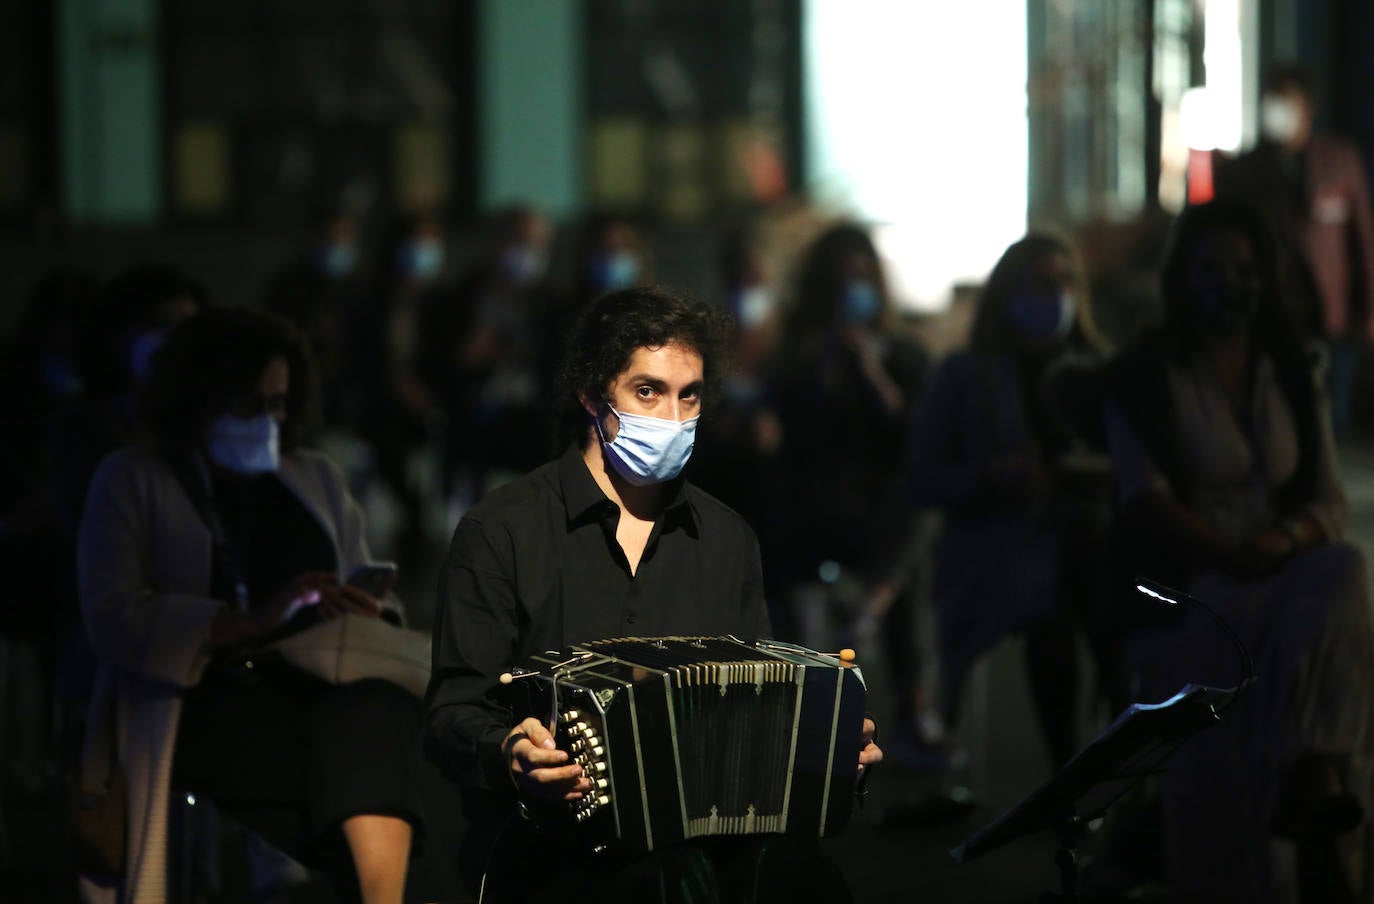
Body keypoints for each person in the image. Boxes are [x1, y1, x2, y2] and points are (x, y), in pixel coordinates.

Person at [424, 287, 880, 903]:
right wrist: (510, 750)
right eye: (647, 391)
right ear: (592, 395)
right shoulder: (503, 530)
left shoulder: (726, 539)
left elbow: (760, 703)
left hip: (708, 838)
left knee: (807, 878)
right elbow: (452, 713)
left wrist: (827, 749)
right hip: (550, 839)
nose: (671, 416)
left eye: (687, 395)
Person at [76, 308, 450, 904]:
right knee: (357, 745)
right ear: (199, 401)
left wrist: (361, 607)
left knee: (374, 712)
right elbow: (114, 618)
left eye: (278, 404)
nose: (267, 422)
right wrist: (252, 621)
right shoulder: (133, 479)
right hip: (200, 698)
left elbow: (370, 584)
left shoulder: (313, 477)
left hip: (321, 679)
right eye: (250, 406)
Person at [1103, 199, 1374, 901]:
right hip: (1191, 581)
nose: (1234, 284)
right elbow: (1144, 498)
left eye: (1248, 269)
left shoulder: (1289, 367)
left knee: (1344, 571)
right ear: (1183, 279)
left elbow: (1329, 506)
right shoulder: (1143, 374)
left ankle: (1313, 770)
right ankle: (1312, 800)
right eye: (1215, 269)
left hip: (1276, 568)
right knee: (1247, 634)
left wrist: (1280, 541)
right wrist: (1227, 553)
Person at [907, 233, 1119, 773]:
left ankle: (1125, 769)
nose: (1056, 297)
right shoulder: (966, 375)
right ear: (1008, 295)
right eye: (1041, 285)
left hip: (1090, 542)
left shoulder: (1100, 373)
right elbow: (923, 479)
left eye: (1065, 283)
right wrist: (992, 476)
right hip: (998, 549)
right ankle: (1068, 773)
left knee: (1126, 604)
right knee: (1049, 609)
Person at [768, 223, 930, 757]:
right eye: (841, 282)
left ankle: (908, 699)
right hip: (816, 502)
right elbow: (791, 434)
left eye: (862, 278)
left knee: (915, 517)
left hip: (880, 503)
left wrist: (871, 370)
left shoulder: (902, 350)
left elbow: (915, 434)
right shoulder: (797, 352)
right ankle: (799, 717)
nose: (853, 292)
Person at [1214, 63, 1374, 439]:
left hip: (1330, 314)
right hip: (1270, 312)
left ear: (1307, 107)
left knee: (1332, 417)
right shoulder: (1244, 173)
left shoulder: (1340, 162)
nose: (1278, 110)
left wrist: (1368, 309)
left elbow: (1362, 239)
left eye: (1287, 101)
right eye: (1273, 100)